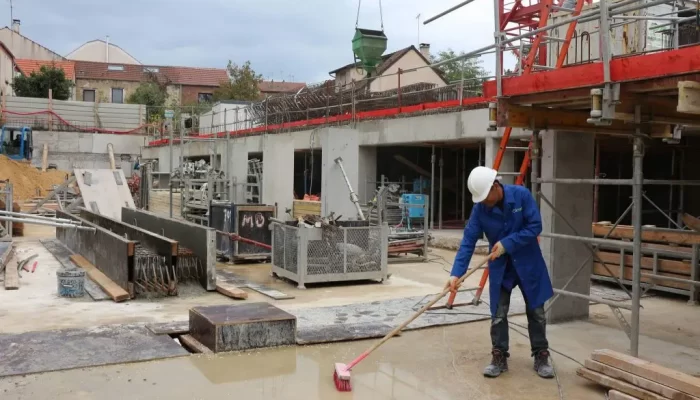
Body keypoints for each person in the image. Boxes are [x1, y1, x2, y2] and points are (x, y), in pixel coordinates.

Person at [445, 166, 554, 379]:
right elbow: (468, 241)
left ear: (496, 186)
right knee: (498, 313)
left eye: (486, 197)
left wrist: (507, 244)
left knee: (536, 311)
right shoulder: (480, 209)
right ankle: (499, 355)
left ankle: (541, 354)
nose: (485, 202)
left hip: (527, 262)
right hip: (501, 268)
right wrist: (456, 273)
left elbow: (535, 226)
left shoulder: (521, 196)